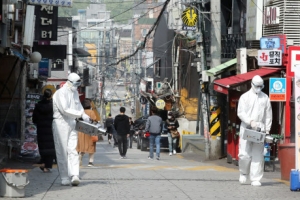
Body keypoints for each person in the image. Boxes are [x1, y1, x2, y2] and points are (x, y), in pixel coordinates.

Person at [52, 73, 91, 186]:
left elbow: (78, 106)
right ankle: (64, 177)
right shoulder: (60, 93)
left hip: (72, 122)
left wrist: (84, 115)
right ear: (69, 82)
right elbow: (64, 109)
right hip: (61, 123)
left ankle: (75, 175)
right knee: (62, 151)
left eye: (78, 84)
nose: (77, 86)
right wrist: (80, 114)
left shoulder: (74, 93)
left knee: (73, 150)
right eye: (76, 84)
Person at [237, 75, 272, 187]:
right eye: (256, 86)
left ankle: (256, 178)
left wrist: (267, 129)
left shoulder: (265, 98)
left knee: (258, 154)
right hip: (247, 127)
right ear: (252, 84)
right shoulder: (244, 97)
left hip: (260, 128)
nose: (258, 88)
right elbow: (240, 112)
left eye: (260, 86)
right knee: (244, 153)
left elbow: (268, 115)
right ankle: (243, 173)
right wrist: (250, 121)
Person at [32, 89, 55, 173]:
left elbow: (34, 119)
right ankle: (46, 166)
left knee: (43, 146)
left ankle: (43, 162)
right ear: (51, 95)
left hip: (41, 129)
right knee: (50, 147)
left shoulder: (38, 105)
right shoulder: (53, 106)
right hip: (51, 128)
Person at [76, 99, 97, 167]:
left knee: (82, 145)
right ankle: (90, 162)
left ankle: (80, 156)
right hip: (90, 131)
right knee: (91, 146)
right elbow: (95, 121)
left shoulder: (80, 112)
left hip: (81, 131)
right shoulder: (91, 112)